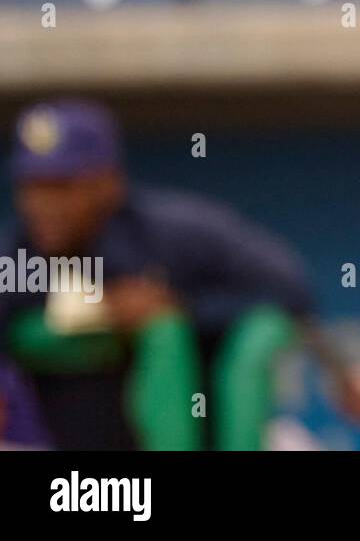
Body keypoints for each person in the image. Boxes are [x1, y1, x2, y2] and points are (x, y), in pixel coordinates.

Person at [0, 98, 314, 450]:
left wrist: (177, 305)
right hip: (70, 461)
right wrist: (101, 312)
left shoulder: (172, 232)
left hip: (200, 425)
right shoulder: (15, 255)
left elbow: (290, 288)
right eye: (31, 187)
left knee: (170, 331)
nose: (44, 204)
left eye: (62, 186)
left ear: (109, 183)